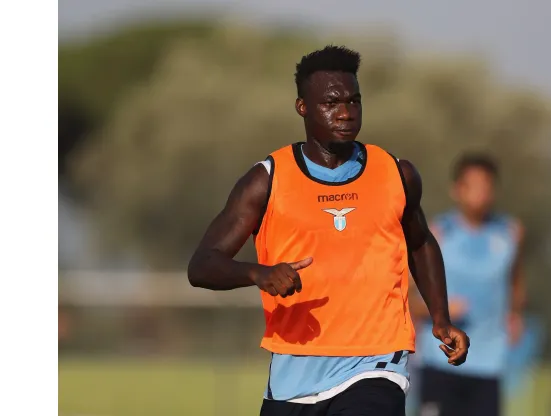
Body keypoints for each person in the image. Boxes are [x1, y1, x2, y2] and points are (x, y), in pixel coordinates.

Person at [187, 45, 470, 416]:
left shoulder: (395, 173)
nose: (346, 113)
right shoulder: (267, 181)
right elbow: (202, 265)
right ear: (302, 107)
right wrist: (258, 272)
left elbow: (420, 243)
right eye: (332, 103)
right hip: (294, 369)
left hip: (376, 361)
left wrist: (440, 318)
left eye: (355, 101)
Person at [411, 154, 526, 416]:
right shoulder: (435, 235)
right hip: (440, 361)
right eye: (473, 186)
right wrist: (440, 311)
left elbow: (517, 280)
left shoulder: (510, 233)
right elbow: (406, 300)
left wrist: (516, 314)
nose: (481, 194)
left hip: (489, 363)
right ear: (457, 190)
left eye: (486, 186)